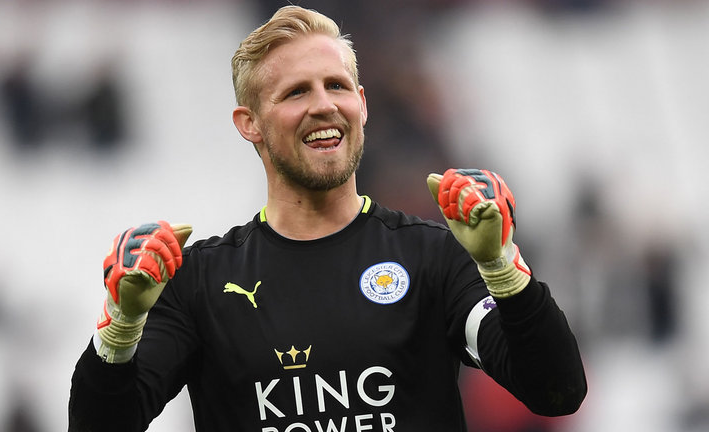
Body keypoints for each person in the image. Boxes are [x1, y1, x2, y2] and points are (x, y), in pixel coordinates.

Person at [68, 5, 587, 431]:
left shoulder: (433, 257)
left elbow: (556, 391)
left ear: (361, 104)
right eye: (297, 92)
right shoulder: (200, 281)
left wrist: (501, 267)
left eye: (336, 86)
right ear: (249, 123)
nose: (323, 106)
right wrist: (121, 326)